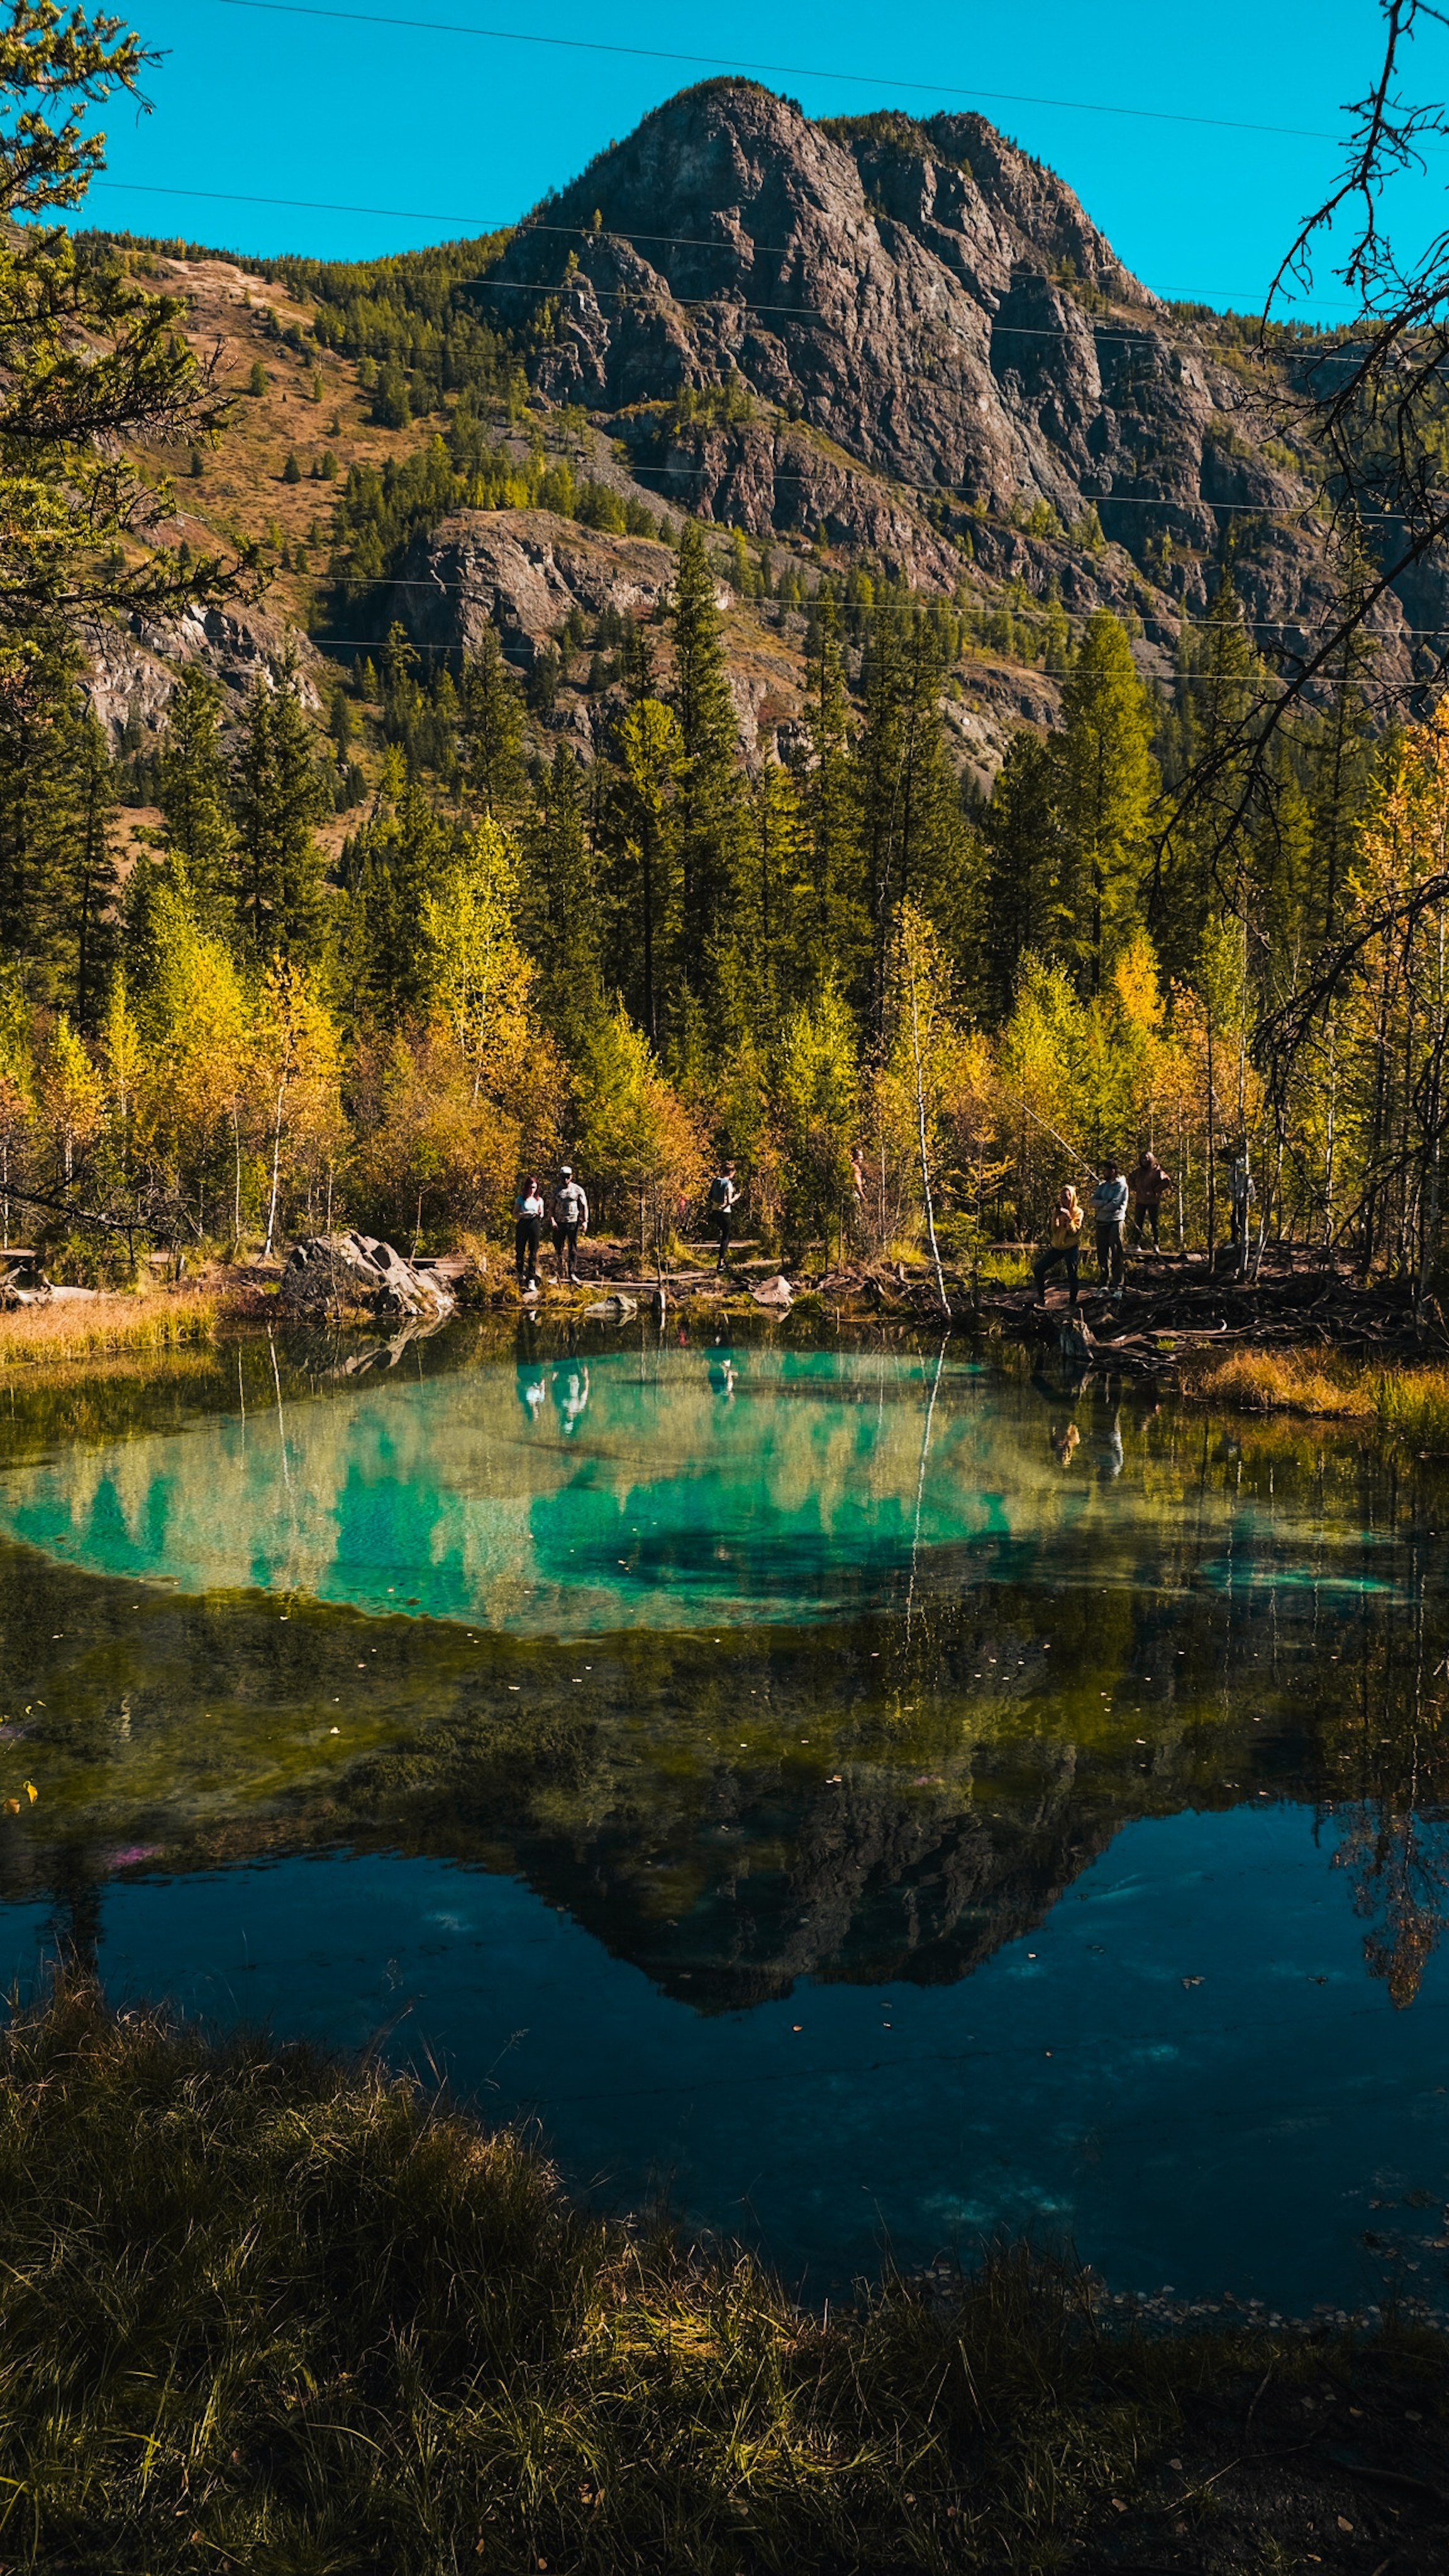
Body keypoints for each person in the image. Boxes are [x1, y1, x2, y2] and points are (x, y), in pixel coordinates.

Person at [1033, 1182, 1084, 1307]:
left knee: (1072, 1273)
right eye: (1062, 1198)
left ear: (1072, 1198)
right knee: (1038, 1269)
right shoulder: (1059, 1211)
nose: (1064, 1200)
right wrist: (1055, 1217)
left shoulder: (1078, 1212)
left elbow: (1074, 1232)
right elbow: (1054, 1230)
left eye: (1066, 1197)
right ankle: (1041, 1297)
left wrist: (1069, 1218)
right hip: (1058, 1246)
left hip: (1071, 1247)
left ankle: (1073, 1302)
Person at [1126, 1148, 1172, 1251]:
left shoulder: (1157, 1171)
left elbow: (1166, 1181)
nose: (1144, 1161)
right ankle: (1135, 1244)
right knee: (1138, 1222)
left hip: (1153, 1201)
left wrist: (1155, 1190)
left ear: (1151, 1159)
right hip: (1140, 1201)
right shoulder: (1138, 1172)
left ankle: (1156, 1244)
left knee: (1154, 1223)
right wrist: (1136, 1188)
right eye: (1142, 1159)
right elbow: (1130, 1179)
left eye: (1147, 1159)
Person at [1092, 1159, 1128, 1289]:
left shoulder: (1122, 1186)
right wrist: (1104, 1203)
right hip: (1101, 1222)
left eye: (1106, 1170)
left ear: (1113, 1171)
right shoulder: (1102, 1186)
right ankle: (1103, 1283)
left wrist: (1102, 1204)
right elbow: (1093, 1201)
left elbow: (1114, 1205)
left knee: (1116, 1253)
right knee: (1102, 1253)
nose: (1103, 1172)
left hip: (1115, 1221)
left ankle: (1118, 1284)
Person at [550, 1165, 589, 1285]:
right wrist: (552, 1220)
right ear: (560, 1177)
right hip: (560, 1223)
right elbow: (551, 1207)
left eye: (567, 1177)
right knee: (559, 1249)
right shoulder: (556, 1191)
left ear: (571, 1177)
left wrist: (585, 1221)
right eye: (563, 1177)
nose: (565, 1180)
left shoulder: (578, 1190)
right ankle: (558, 1274)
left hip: (573, 1222)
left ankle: (572, 1273)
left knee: (573, 1248)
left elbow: (584, 1206)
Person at [513, 1172, 544, 1292]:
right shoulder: (521, 1199)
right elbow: (514, 1214)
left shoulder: (539, 1200)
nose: (532, 1190)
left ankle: (531, 1278)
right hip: (523, 1224)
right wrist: (523, 1214)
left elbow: (542, 1214)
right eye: (530, 1187)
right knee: (520, 1250)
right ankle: (519, 1275)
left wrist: (540, 1213)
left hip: (534, 1224)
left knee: (533, 1252)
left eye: (534, 1188)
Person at [708, 1160, 740, 1270]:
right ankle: (721, 1262)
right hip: (725, 1212)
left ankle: (723, 1259)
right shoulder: (728, 1184)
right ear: (730, 1173)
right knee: (726, 1237)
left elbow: (710, 1195)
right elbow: (729, 1201)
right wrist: (737, 1197)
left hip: (715, 1211)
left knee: (722, 1235)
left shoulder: (716, 1181)